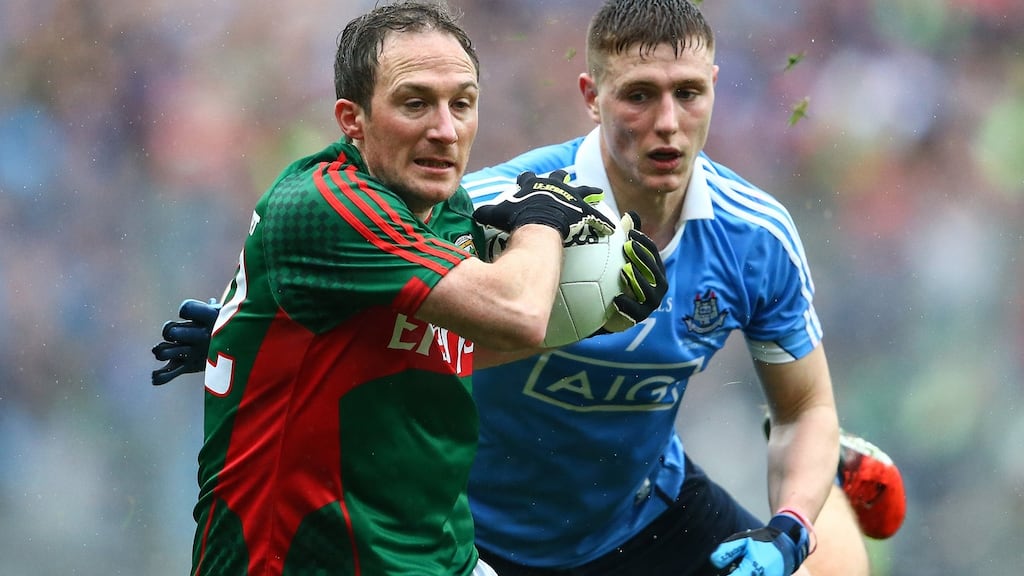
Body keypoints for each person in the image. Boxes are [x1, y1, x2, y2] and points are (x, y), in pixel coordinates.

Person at [153, 1, 906, 575]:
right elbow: (375, 299)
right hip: (471, 530)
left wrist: (788, 531)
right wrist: (248, 326)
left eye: (687, 93)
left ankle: (829, 479)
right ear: (591, 94)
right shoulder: (488, 206)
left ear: (715, 89)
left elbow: (803, 405)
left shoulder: (756, 236)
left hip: (634, 510)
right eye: (639, 94)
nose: (666, 123)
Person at [169, 2, 665, 575]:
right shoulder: (328, 205)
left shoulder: (448, 208)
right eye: (415, 103)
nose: (445, 130)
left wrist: (591, 317)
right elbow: (518, 312)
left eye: (462, 103)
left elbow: (450, 347)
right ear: (352, 119)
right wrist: (542, 220)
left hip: (439, 556)